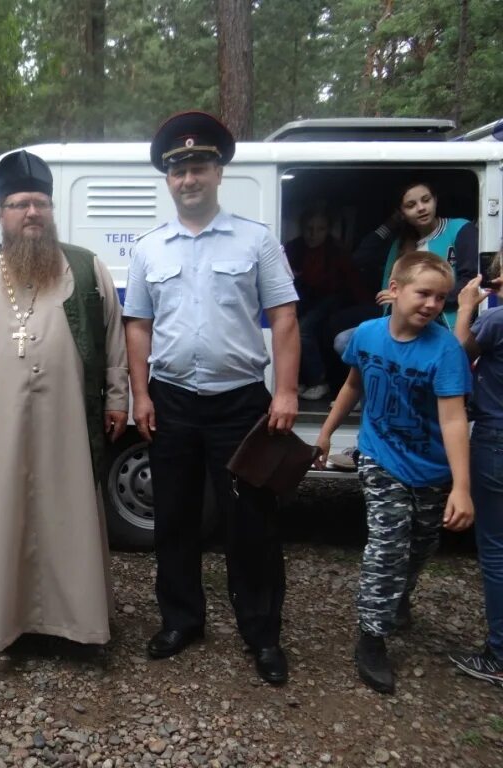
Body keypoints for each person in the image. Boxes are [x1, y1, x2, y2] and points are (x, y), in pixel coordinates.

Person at [123, 111, 300, 685]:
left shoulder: (257, 240)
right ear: (167, 181)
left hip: (240, 403)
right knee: (173, 518)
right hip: (172, 401)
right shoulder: (150, 249)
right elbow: (138, 327)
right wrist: (140, 394)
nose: (188, 179)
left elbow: (285, 318)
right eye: (178, 171)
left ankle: (261, 633)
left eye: (198, 166)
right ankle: (182, 620)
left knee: (251, 522)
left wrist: (288, 391)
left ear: (218, 171)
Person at [0, 150, 129, 653]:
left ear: (51, 209)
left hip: (69, 418)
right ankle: (2, 615)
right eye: (19, 204)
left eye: (39, 203)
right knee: (4, 508)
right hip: (0, 423)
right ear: (1, 214)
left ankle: (76, 621)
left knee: (72, 511)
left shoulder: (85, 268)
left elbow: (113, 341)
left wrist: (117, 398)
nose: (31, 214)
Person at [315, 251, 474, 694]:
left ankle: (397, 598)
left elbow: (453, 420)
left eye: (441, 298)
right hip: (379, 456)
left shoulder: (444, 352)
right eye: (423, 293)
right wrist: (326, 432)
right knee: (388, 544)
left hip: (431, 469)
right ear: (396, 289)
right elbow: (352, 385)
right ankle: (372, 635)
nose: (431, 304)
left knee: (421, 545)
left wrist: (461, 487)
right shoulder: (365, 335)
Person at [330, 180, 479, 358]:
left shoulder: (459, 228)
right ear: (402, 213)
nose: (421, 208)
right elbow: (360, 257)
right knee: (341, 338)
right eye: (411, 205)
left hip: (442, 319)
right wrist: (391, 224)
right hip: (397, 320)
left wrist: (407, 300)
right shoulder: (401, 243)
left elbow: (470, 281)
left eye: (426, 200)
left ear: (435, 200)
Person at [448, 257, 503, 687]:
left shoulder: (496, 321)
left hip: (496, 440)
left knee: (497, 550)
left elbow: (455, 358)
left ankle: (499, 655)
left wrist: (467, 306)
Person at [283, 207, 361, 400]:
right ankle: (299, 379)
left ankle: (319, 381)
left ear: (328, 230)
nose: (313, 234)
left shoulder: (336, 252)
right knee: (286, 326)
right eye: (309, 228)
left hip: (332, 299)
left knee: (303, 330)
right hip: (302, 298)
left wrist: (372, 308)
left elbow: (353, 283)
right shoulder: (293, 248)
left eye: (320, 229)